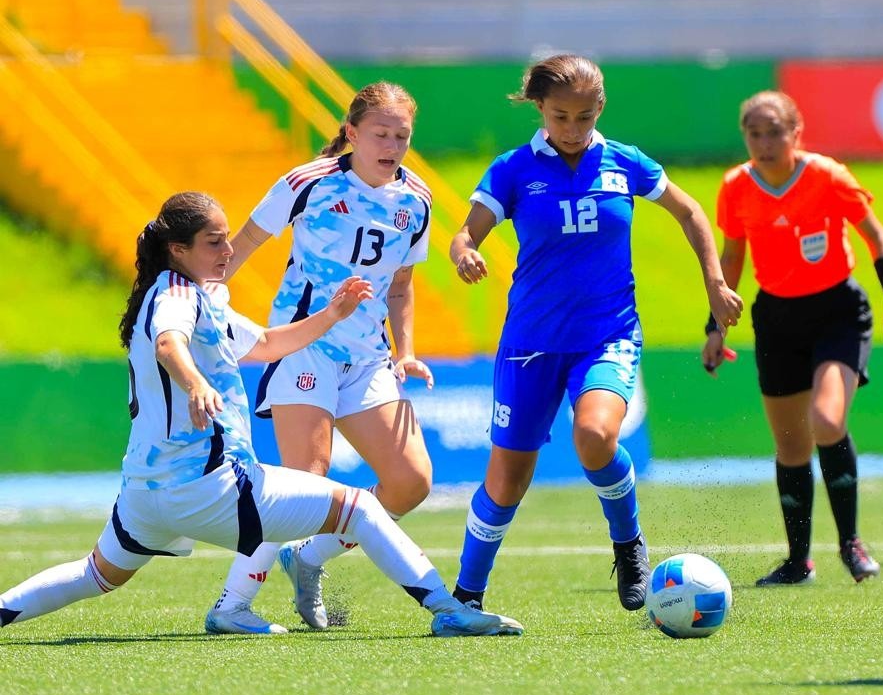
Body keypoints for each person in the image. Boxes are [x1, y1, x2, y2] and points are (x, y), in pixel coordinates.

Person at [0, 193, 521, 638]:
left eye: (228, 239)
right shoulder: (179, 295)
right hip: (209, 486)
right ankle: (447, 611)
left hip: (146, 491)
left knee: (94, 576)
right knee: (359, 508)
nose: (229, 251)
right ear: (178, 251)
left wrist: (332, 315)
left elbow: (269, 343)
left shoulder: (196, 296)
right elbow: (168, 342)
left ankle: (230, 609)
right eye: (214, 242)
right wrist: (197, 383)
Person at [448, 54, 743, 612]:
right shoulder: (512, 170)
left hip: (607, 335)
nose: (573, 130)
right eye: (561, 117)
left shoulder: (625, 162)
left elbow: (690, 212)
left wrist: (714, 282)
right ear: (540, 108)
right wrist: (465, 254)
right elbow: (465, 234)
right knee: (507, 482)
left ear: (599, 109)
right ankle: (467, 594)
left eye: (584, 118)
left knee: (596, 436)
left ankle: (629, 545)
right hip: (530, 342)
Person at [205, 82, 437, 634]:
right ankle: (231, 605)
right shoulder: (308, 182)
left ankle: (307, 559)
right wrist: (204, 308)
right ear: (352, 133)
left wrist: (405, 353)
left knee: (410, 483)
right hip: (303, 346)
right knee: (306, 479)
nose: (392, 144)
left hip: (368, 360)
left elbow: (401, 286)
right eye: (381, 133)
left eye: (402, 136)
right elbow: (242, 244)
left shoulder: (417, 200)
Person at [702, 91, 883, 587]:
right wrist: (715, 327)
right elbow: (732, 258)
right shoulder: (735, 187)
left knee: (826, 419)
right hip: (776, 318)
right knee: (791, 446)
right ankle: (798, 562)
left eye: (775, 132)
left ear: (796, 134)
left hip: (838, 310)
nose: (765, 142)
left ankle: (851, 545)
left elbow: (877, 237)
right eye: (754, 133)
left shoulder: (827, 176)